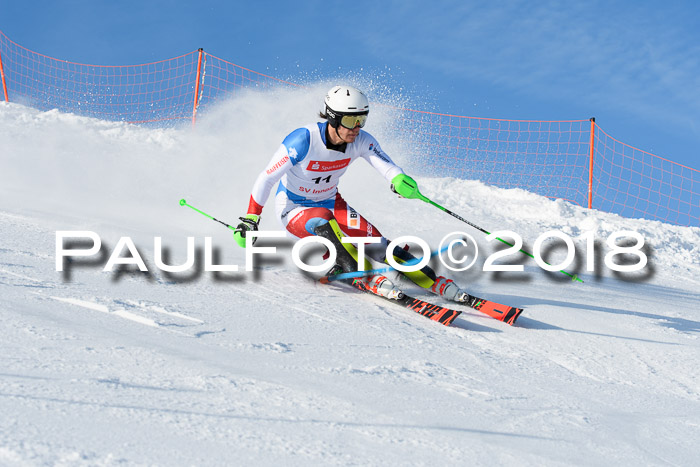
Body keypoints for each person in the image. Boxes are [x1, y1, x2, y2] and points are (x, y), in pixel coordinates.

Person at [233, 85, 469, 302]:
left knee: (377, 244)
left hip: (332, 202)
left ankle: (433, 281)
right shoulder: (303, 139)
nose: (357, 127)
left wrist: (398, 179)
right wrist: (250, 219)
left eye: (362, 119)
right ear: (333, 118)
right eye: (350, 120)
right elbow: (267, 177)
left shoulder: (361, 140)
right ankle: (357, 271)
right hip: (293, 208)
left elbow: (385, 165)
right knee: (323, 219)